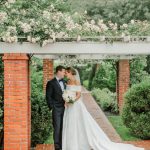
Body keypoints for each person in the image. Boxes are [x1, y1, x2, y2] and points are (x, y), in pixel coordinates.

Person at [62, 67, 144, 150]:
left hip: (76, 105)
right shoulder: (67, 82)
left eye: (66, 73)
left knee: (78, 122)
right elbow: (67, 92)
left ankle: (80, 143)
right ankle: (71, 144)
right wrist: (66, 101)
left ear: (71, 73)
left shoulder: (76, 82)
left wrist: (72, 101)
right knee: (70, 122)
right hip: (69, 107)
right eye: (65, 73)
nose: (65, 74)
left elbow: (79, 95)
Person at [46, 65, 66, 150]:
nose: (64, 73)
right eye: (63, 71)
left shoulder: (64, 82)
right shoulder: (51, 83)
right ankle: (57, 147)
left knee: (63, 127)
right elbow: (48, 96)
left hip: (65, 108)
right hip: (56, 109)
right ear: (58, 71)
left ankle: (62, 145)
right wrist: (52, 107)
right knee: (57, 128)